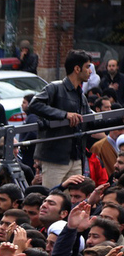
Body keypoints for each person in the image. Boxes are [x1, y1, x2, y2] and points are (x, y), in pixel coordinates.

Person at [28, 50, 93, 188]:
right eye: (87, 67)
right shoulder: (55, 87)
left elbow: (92, 120)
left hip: (76, 158)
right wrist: (64, 114)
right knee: (51, 199)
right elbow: (34, 104)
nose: (90, 71)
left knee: (73, 201)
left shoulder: (81, 96)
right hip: (54, 159)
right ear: (77, 69)